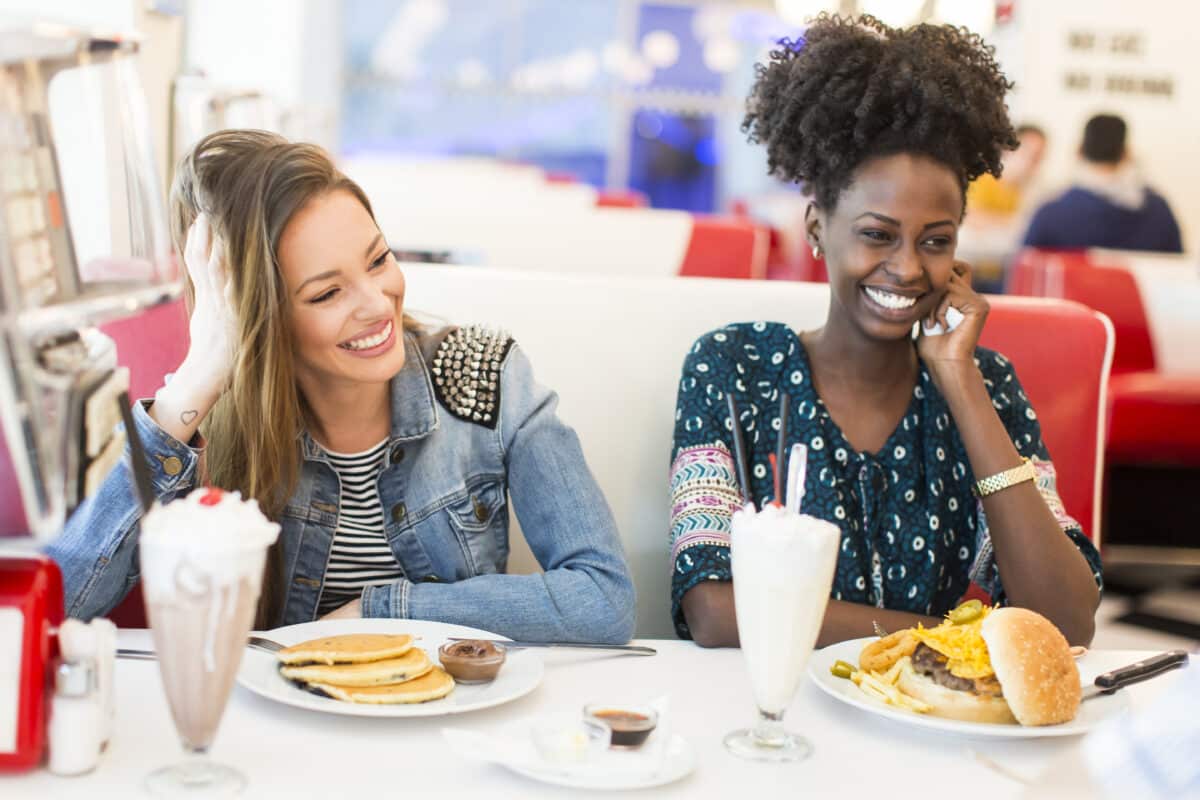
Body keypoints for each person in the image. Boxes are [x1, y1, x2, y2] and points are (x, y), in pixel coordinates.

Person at [48, 130, 636, 642]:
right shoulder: (216, 419)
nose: (378, 305)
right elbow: (58, 608)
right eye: (327, 293)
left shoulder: (486, 377)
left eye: (378, 260)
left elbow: (603, 599)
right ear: (267, 317)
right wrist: (198, 378)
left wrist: (381, 612)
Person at [669, 15, 1102, 648]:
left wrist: (960, 380)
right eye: (876, 234)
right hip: (766, 726)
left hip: (927, 734)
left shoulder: (988, 386)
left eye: (935, 241)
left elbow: (1065, 623)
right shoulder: (734, 367)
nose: (905, 267)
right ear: (818, 226)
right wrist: (954, 637)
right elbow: (714, 609)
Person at [1023, 113, 1183, 253]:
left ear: (1079, 150)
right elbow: (1177, 269)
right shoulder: (1159, 210)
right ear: (1126, 154)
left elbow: (1021, 273)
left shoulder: (1053, 213)